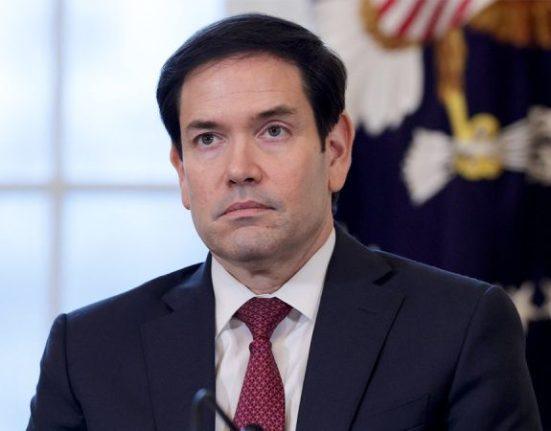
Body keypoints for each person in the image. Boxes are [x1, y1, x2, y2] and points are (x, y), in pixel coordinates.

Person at [27, 13, 542, 431]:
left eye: (273, 130)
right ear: (182, 172)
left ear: (335, 150)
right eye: (207, 139)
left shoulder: (458, 327)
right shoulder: (89, 351)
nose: (239, 170)